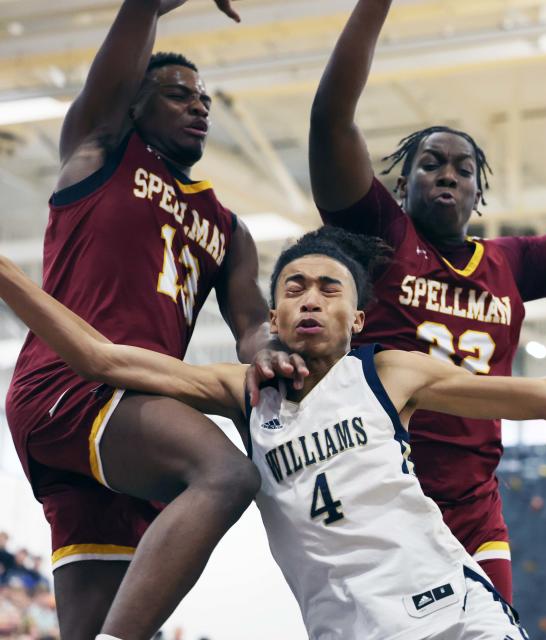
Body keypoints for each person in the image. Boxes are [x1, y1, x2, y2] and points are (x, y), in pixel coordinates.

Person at [0, 226, 546, 639]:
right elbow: (101, 355)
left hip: (453, 609)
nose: (311, 298)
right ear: (275, 314)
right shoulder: (240, 391)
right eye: (295, 289)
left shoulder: (393, 373)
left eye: (329, 289)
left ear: (355, 315)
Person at [305, 0, 546, 600]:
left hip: (475, 503)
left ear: (479, 192)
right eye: (429, 164)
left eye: (462, 167)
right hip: (381, 485)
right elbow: (331, 121)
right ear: (402, 183)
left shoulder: (508, 263)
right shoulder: (380, 236)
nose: (446, 174)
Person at [2, 1, 298, 638]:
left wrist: (271, 346)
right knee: (226, 473)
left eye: (203, 99)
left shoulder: (228, 227)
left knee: (96, 620)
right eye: (176, 94)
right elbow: (113, 67)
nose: (198, 106)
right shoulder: (99, 150)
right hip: (71, 384)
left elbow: (249, 325)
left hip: (127, 409)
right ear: (135, 104)